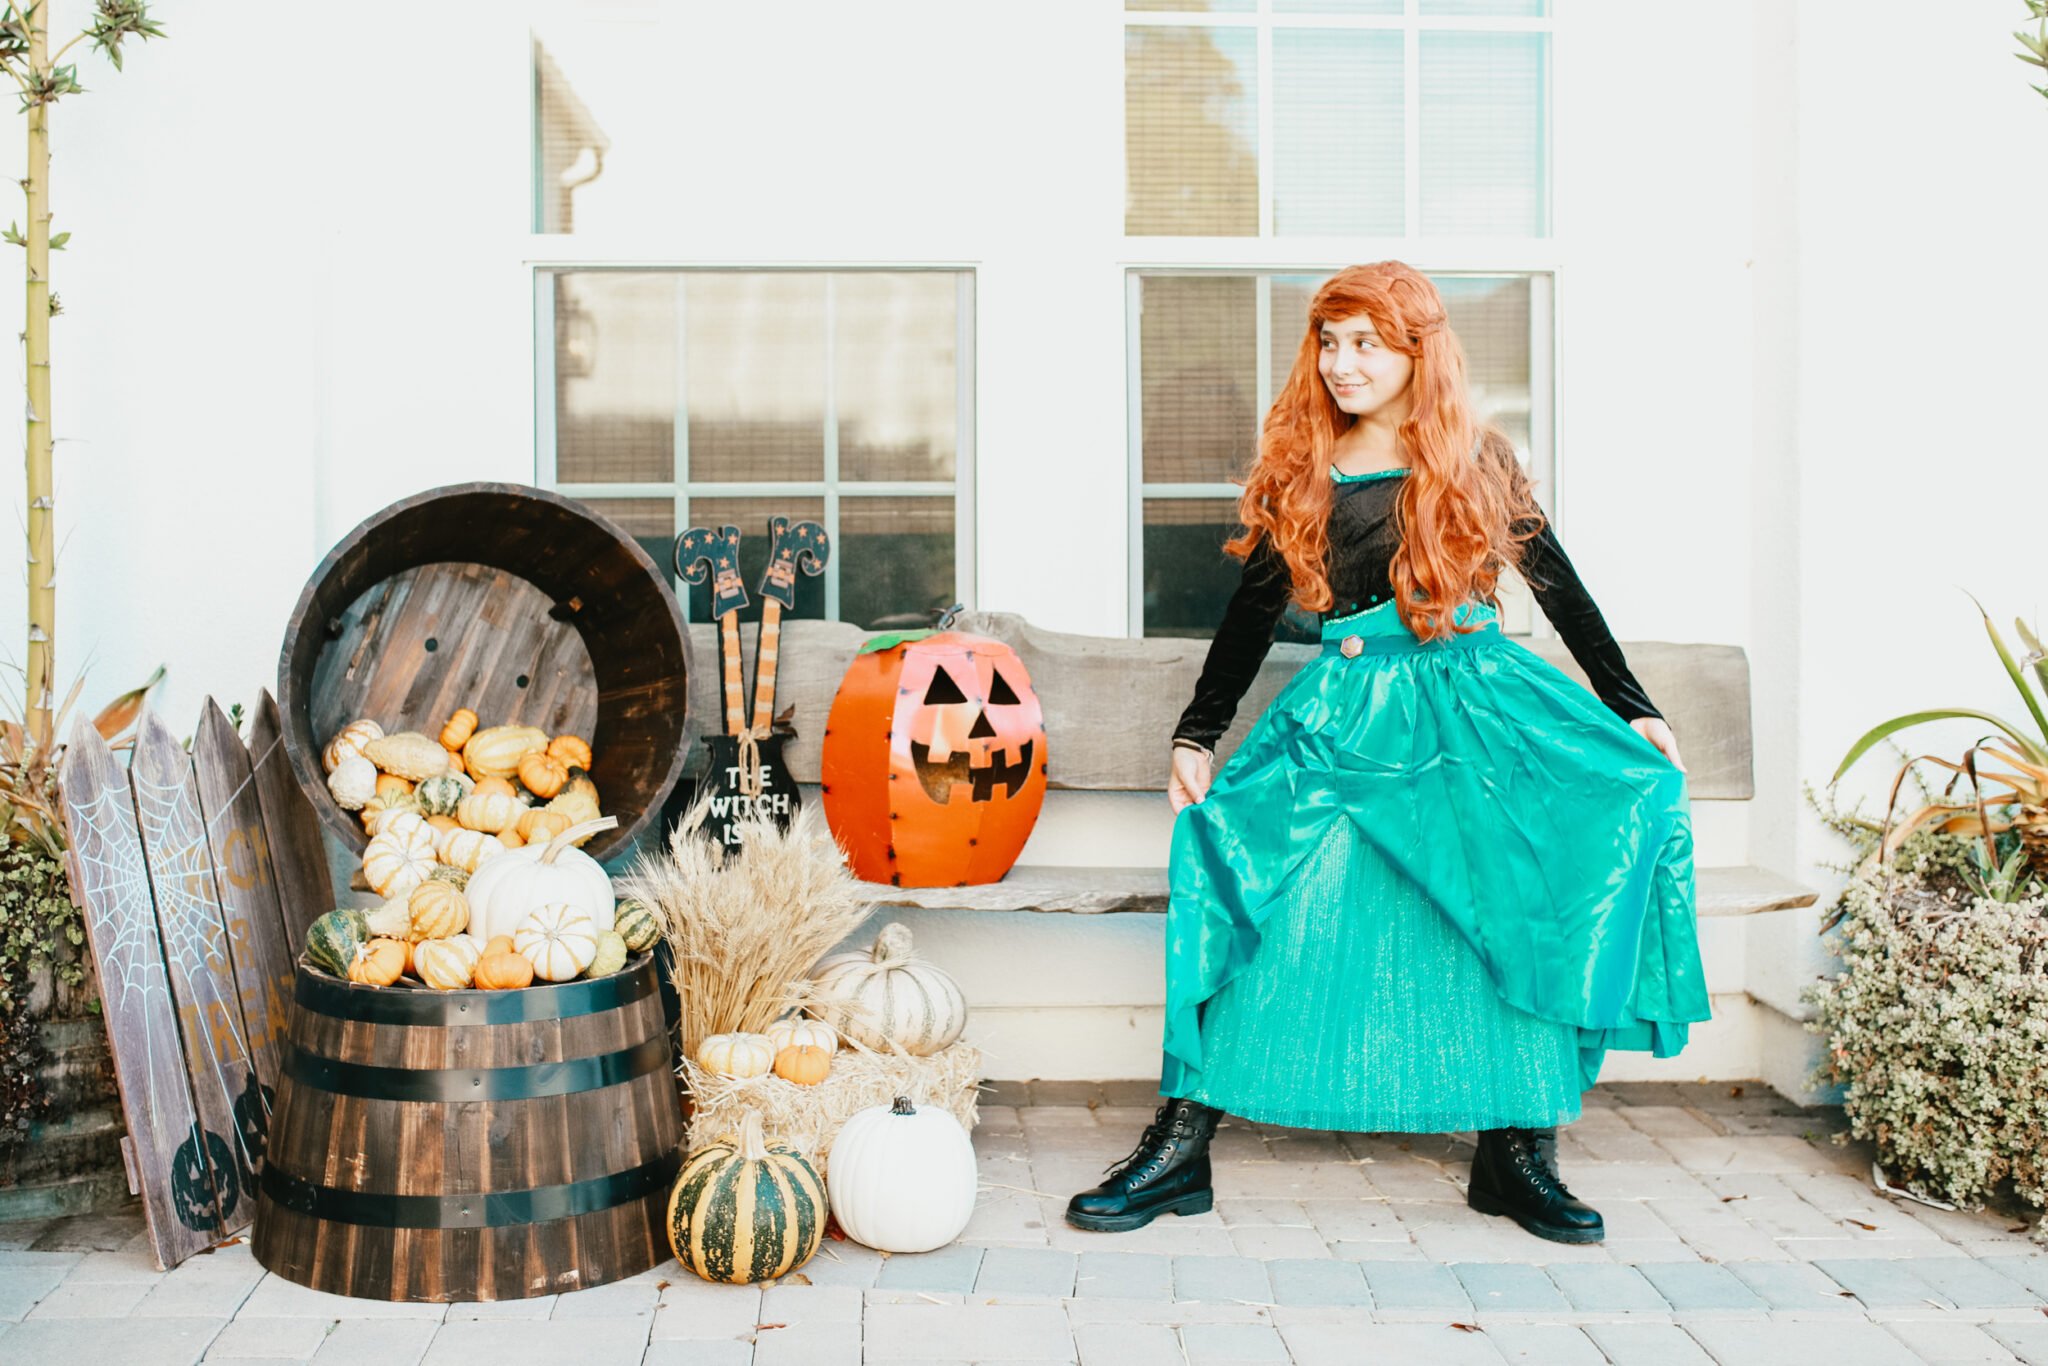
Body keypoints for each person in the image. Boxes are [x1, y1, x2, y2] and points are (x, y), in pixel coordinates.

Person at [1066, 262, 1705, 1245]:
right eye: (1328, 341)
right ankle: (1182, 1139)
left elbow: (1559, 585)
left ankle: (1516, 1147)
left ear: (1416, 350)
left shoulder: (1475, 459)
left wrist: (1629, 708)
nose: (1341, 362)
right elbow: (1248, 615)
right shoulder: (1308, 466)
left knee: (1505, 902)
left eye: (1366, 342)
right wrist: (1197, 729)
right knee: (1252, 882)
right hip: (1347, 714)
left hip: (1477, 711)